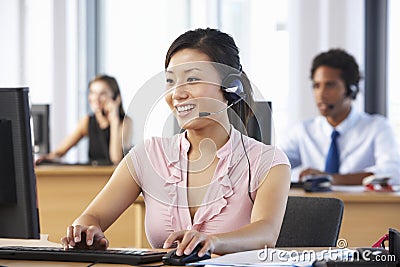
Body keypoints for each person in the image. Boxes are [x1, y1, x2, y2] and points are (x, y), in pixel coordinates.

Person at [61, 28, 291, 257]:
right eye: (171, 81)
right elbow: (92, 217)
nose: (177, 93)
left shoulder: (268, 162)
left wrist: (212, 242)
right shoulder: (149, 155)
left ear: (231, 87)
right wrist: (86, 233)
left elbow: (266, 233)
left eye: (192, 79)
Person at [280, 48, 400, 185]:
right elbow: (273, 164)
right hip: (318, 205)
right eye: (316, 86)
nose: (321, 94)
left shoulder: (377, 127)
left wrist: (331, 178)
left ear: (351, 89)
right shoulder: (303, 131)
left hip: (362, 206)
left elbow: (392, 173)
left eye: (330, 85)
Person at [36, 74, 133, 166]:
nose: (96, 98)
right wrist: (45, 158)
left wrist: (114, 120)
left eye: (102, 93)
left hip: (116, 179)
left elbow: (116, 160)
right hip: (94, 177)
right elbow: (60, 151)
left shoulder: (125, 122)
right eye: (92, 93)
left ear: (116, 98)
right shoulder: (87, 121)